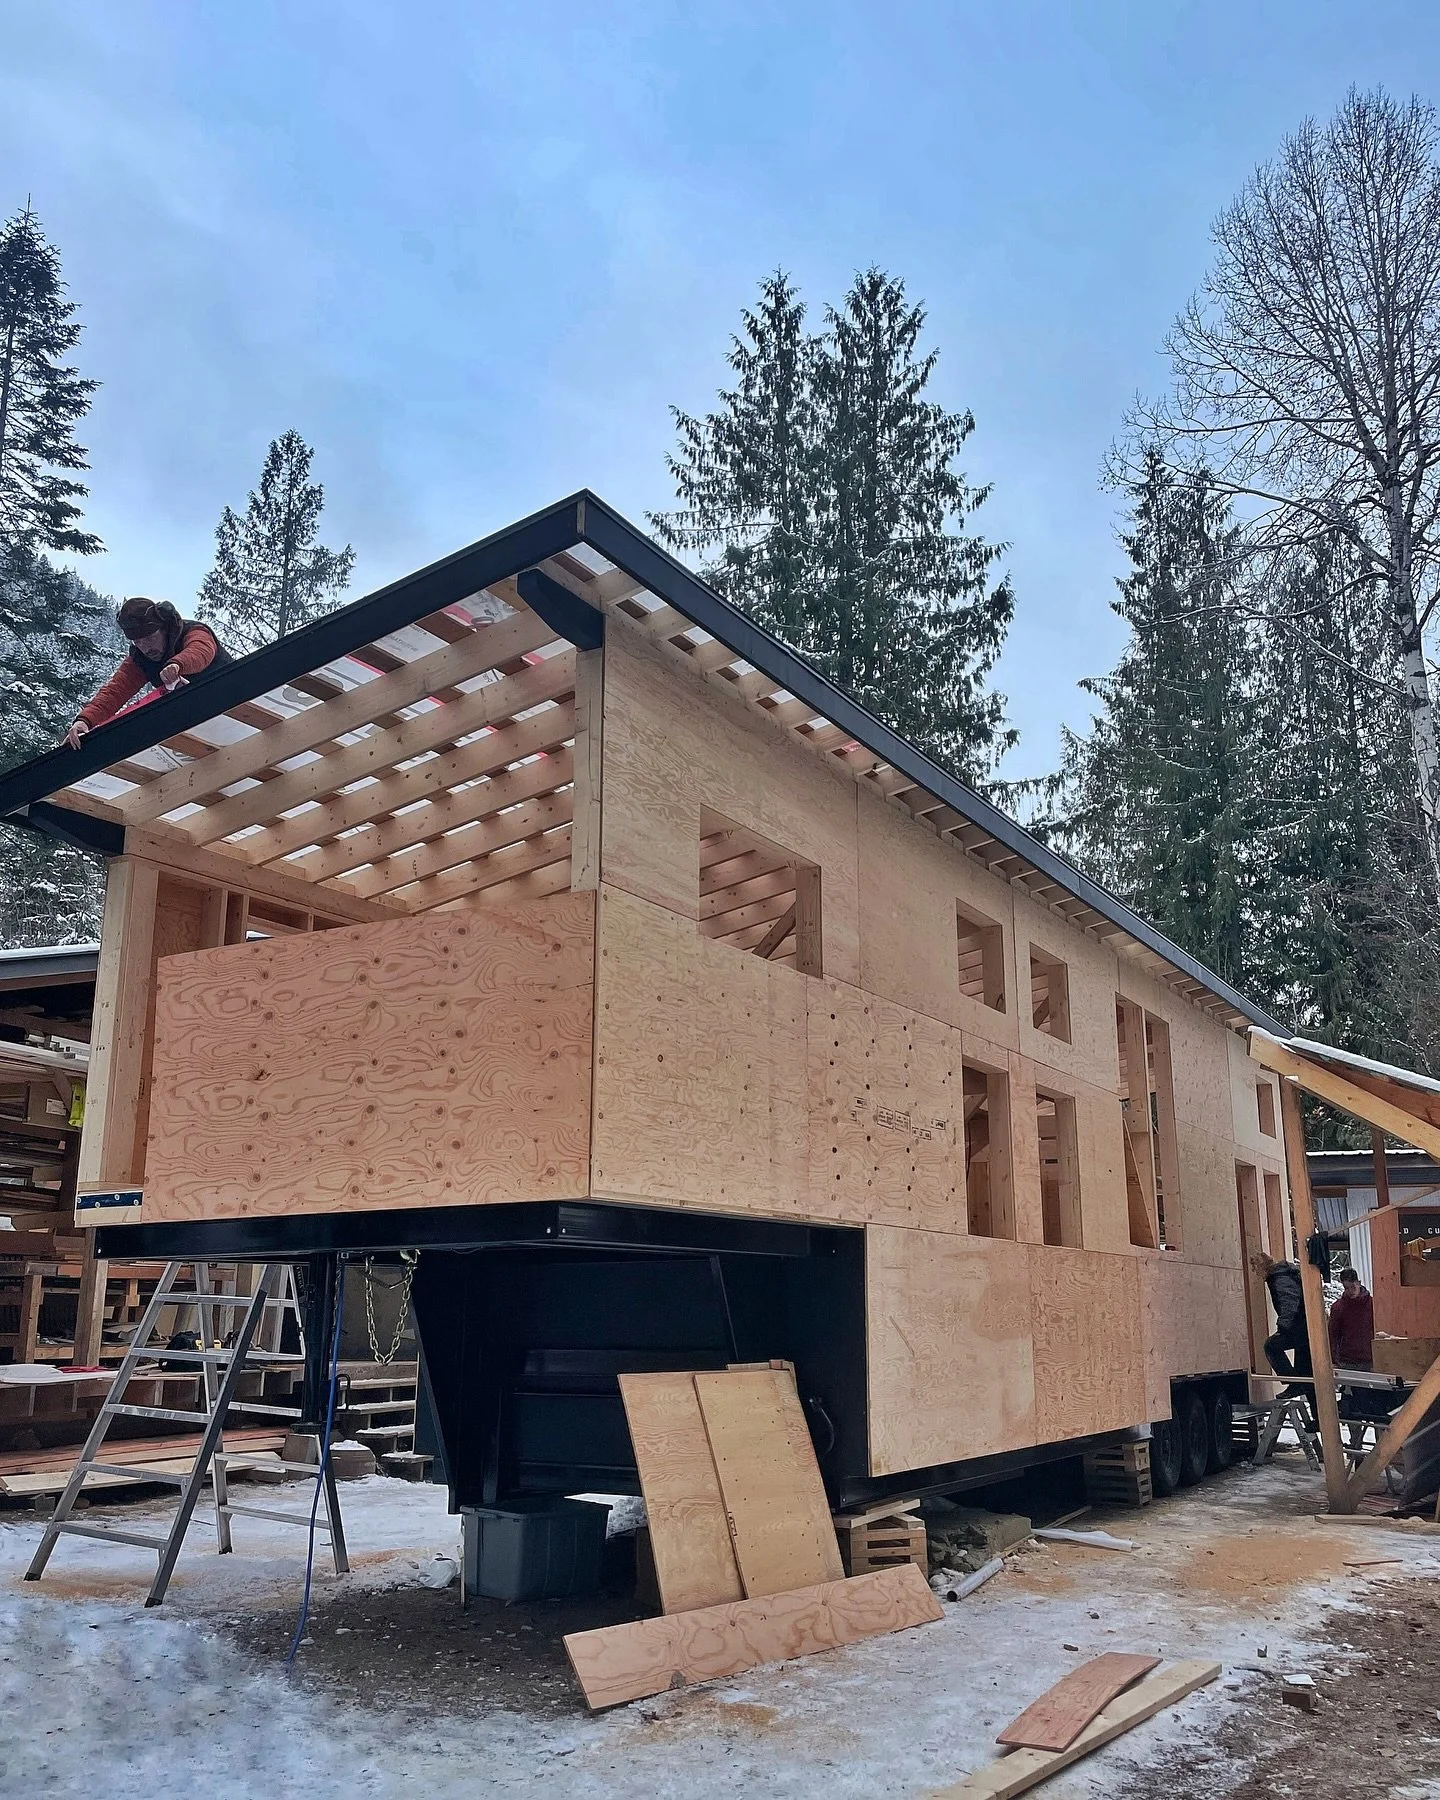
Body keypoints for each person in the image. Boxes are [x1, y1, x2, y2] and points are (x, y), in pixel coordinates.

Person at [63, 598, 230, 748]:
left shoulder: (194, 631)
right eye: (138, 642)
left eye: (150, 638)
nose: (145, 648)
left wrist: (178, 665)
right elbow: (114, 692)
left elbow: (201, 650)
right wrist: (85, 721)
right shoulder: (140, 659)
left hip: (232, 697)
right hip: (198, 720)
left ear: (164, 629)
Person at [1250, 1250, 1313, 1397]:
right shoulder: (1285, 1273)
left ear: (1261, 1267)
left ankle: (1294, 1383)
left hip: (1298, 1326)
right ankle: (1316, 1416)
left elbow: (1289, 1303)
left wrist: (1283, 1328)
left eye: (1254, 1269)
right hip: (1306, 1326)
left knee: (1271, 1346)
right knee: (1306, 1371)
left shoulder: (1279, 1278)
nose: (1255, 1273)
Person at [1328, 1266, 1375, 1370]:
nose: (1350, 1291)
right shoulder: (1338, 1308)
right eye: (1346, 1288)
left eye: (1353, 1287)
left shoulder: (1373, 1304)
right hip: (1347, 1360)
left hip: (1370, 1358)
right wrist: (1333, 1359)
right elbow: (1333, 1335)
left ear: (1358, 1283)